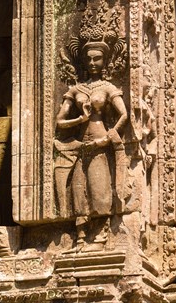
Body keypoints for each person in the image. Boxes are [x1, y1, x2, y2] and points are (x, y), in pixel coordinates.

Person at [55, 40, 127, 251]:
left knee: (99, 186)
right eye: (89, 58)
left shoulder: (108, 88)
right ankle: (80, 236)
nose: (93, 62)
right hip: (80, 144)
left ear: (105, 61)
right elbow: (60, 121)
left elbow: (124, 115)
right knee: (78, 188)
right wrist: (80, 120)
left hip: (100, 142)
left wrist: (108, 138)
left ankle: (101, 235)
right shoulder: (76, 89)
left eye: (97, 58)